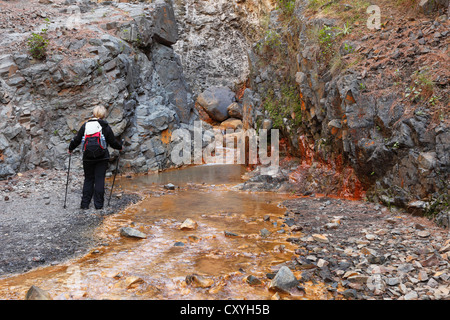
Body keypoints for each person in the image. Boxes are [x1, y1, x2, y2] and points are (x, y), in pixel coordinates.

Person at [68, 106, 123, 210]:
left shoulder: (85, 125)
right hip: (102, 157)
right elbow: (113, 142)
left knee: (88, 179)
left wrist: (70, 149)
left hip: (87, 157)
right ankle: (98, 205)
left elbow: (77, 139)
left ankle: (85, 204)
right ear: (103, 115)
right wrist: (120, 147)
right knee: (99, 179)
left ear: (93, 114)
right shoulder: (105, 126)